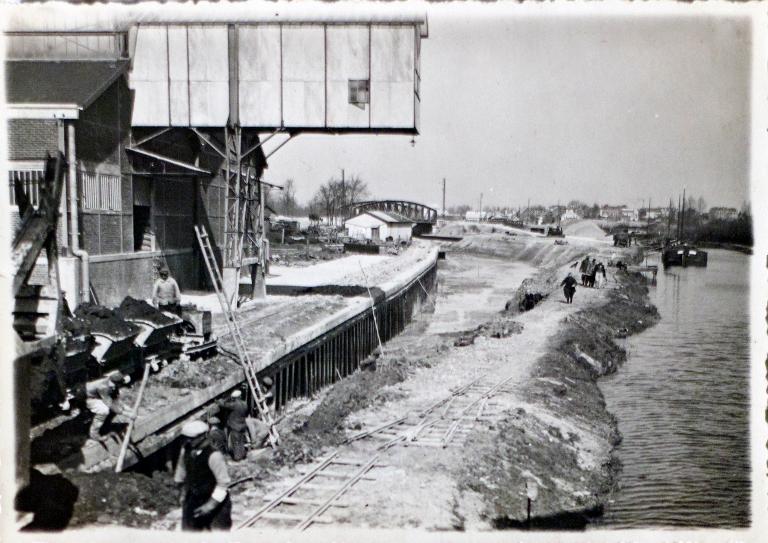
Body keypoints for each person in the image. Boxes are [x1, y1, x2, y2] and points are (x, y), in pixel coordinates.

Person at [175, 420, 232, 531]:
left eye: (191, 438)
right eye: (186, 438)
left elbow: (223, 483)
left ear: (203, 437)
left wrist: (210, 505)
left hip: (215, 501)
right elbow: (181, 469)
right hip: (194, 498)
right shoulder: (186, 450)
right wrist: (181, 491)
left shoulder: (214, 455)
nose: (187, 441)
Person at [86, 371, 134, 442]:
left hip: (99, 396)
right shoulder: (103, 387)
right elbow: (110, 404)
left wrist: (129, 410)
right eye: (115, 384)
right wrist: (127, 414)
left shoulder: (112, 385)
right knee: (104, 410)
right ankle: (94, 433)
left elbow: (116, 400)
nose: (117, 386)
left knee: (114, 408)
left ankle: (106, 425)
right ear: (111, 381)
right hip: (89, 398)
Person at [245, 377, 276, 449]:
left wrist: (264, 396)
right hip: (263, 407)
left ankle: (269, 434)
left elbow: (271, 394)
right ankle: (264, 436)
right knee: (261, 421)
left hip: (269, 406)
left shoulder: (272, 388)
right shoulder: (261, 387)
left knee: (269, 420)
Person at [219, 389, 249, 461]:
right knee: (241, 441)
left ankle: (238, 459)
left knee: (236, 443)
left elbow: (222, 404)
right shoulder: (245, 403)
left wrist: (223, 400)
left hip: (235, 427)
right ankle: (243, 455)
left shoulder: (234, 405)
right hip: (242, 426)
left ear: (234, 398)